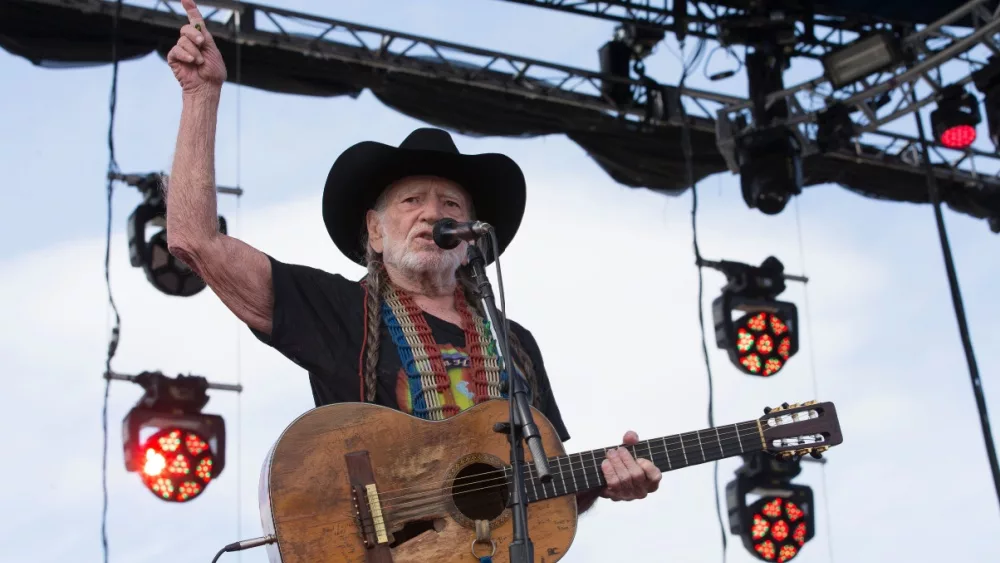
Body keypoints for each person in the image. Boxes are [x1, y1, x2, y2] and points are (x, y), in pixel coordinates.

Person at [165, 0, 660, 514]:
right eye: (411, 201)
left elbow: (543, 489)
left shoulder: (513, 342)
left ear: (470, 238)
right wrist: (202, 96)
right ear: (374, 232)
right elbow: (195, 240)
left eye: (450, 205)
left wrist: (606, 480)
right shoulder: (337, 308)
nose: (431, 214)